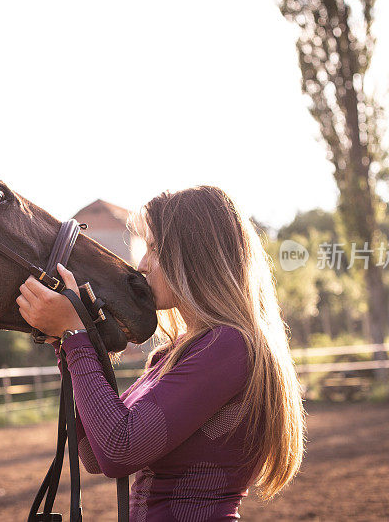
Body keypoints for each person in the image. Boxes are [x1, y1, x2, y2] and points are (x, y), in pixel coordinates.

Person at [17, 186, 305, 520]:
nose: (141, 264)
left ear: (193, 255)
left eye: (154, 248)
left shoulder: (230, 346)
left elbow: (118, 451)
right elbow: (94, 453)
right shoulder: (175, 354)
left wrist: (76, 336)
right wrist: (65, 342)